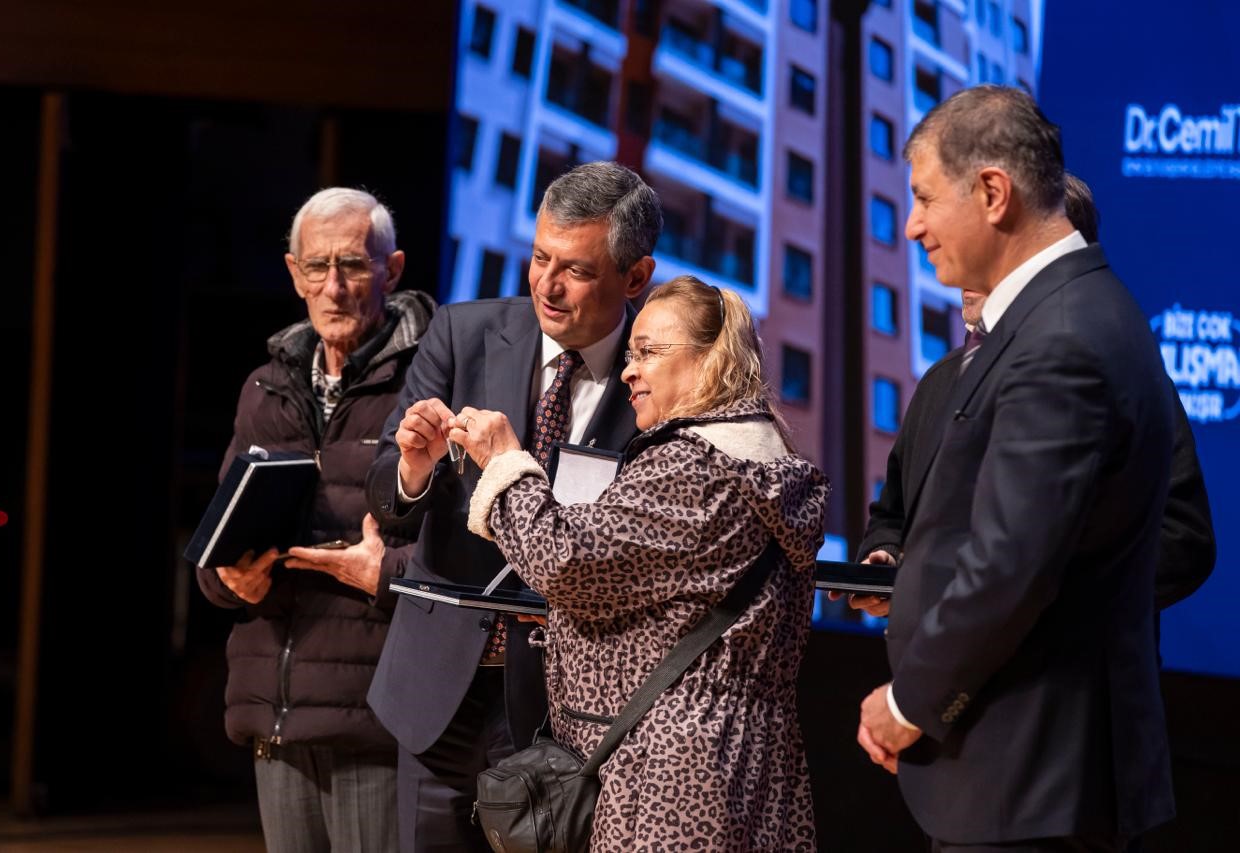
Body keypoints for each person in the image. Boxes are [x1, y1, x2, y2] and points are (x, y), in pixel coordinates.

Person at [856, 86, 1178, 850]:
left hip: (1030, 782)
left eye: (926, 198)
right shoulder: (1072, 313)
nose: (912, 225)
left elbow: (1010, 565)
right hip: (1022, 776)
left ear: (993, 192)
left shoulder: (1060, 337)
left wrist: (908, 702)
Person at [449, 275, 827, 851]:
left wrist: (504, 462)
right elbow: (678, 608)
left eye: (649, 352)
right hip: (744, 767)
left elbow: (563, 560)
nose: (629, 370)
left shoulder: (694, 469)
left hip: (669, 778)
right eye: (630, 354)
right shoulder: (762, 462)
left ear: (712, 362)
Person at [356, 162, 659, 851]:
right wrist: (411, 466)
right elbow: (385, 496)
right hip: (439, 693)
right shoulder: (463, 333)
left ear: (634, 278)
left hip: (567, 710)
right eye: (539, 258)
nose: (547, 286)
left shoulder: (660, 377)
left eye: (576, 270)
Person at [848, 173, 1214, 619]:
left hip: (1071, 678)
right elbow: (894, 514)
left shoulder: (1125, 375)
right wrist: (886, 558)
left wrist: (1046, 597)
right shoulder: (940, 381)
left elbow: (1183, 538)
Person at [197, 187, 434, 853]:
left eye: (354, 266)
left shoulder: (431, 382)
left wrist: (380, 573)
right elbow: (216, 547)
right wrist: (227, 580)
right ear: (293, 273)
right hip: (276, 717)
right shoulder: (264, 386)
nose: (334, 286)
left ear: (391, 271)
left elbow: (470, 562)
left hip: (377, 724)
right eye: (316, 266)